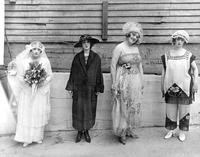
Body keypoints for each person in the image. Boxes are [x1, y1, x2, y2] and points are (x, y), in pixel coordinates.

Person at [7, 41, 53, 147]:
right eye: (34, 50)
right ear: (30, 51)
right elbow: (20, 77)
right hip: (27, 92)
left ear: (41, 51)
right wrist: (29, 83)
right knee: (27, 114)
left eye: (38, 50)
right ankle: (26, 138)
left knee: (37, 113)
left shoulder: (45, 61)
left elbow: (50, 75)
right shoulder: (24, 62)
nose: (36, 52)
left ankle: (37, 137)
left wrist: (41, 83)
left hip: (40, 92)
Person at [161, 30, 198, 142]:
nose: (179, 41)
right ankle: (171, 130)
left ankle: (182, 132)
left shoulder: (188, 55)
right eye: (177, 39)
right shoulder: (167, 56)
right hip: (170, 87)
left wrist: (196, 82)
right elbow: (163, 71)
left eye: (181, 39)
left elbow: (195, 69)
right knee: (170, 110)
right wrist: (162, 85)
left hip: (185, 87)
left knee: (184, 111)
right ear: (174, 40)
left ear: (184, 41)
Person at [65, 34, 104, 143]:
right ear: (81, 45)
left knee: (89, 110)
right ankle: (79, 131)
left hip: (91, 89)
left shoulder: (96, 57)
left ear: (91, 44)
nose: (86, 44)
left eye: (88, 42)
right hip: (79, 89)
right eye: (84, 42)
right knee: (78, 110)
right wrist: (70, 87)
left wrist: (98, 88)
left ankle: (86, 131)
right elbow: (73, 73)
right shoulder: (77, 57)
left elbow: (98, 74)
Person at [111, 22, 144, 145]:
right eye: (133, 34)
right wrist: (114, 83)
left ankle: (129, 129)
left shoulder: (136, 48)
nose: (134, 37)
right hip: (123, 80)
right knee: (123, 105)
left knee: (133, 104)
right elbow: (113, 66)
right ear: (128, 34)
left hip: (135, 80)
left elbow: (139, 65)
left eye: (137, 36)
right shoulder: (119, 47)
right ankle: (122, 132)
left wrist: (142, 80)